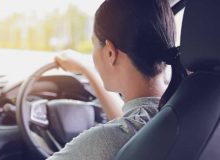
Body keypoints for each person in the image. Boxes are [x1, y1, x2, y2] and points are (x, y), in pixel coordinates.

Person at [47, 0, 176, 159]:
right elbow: (129, 122)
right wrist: (86, 70)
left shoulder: (102, 142)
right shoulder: (185, 111)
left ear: (110, 53)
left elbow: (119, 133)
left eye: (94, 44)